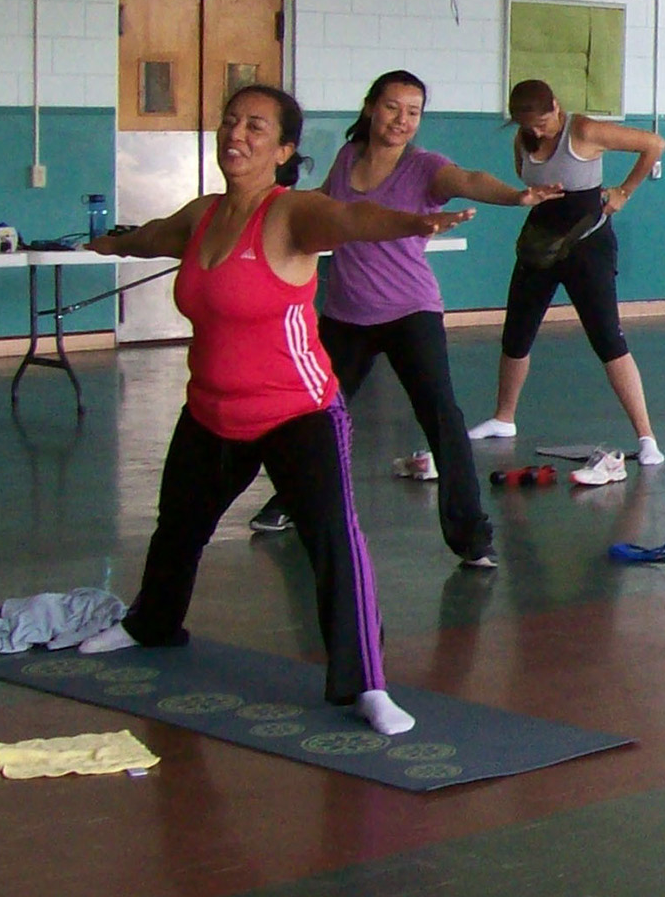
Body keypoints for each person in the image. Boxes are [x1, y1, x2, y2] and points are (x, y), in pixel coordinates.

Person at [75, 85, 473, 734]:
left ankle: (367, 684)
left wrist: (412, 222)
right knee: (177, 526)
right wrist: (111, 243)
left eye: (256, 127)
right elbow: (153, 237)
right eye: (230, 121)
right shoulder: (203, 216)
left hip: (297, 412)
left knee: (333, 544)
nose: (237, 134)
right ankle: (151, 625)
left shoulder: (291, 215)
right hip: (210, 409)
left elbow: (351, 220)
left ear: (285, 149)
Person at [245, 70, 563, 565]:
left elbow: (467, 180)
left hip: (409, 311)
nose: (402, 120)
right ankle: (288, 499)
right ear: (371, 107)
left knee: (442, 418)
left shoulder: (424, 168)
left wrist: (517, 196)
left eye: (413, 112)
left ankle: (471, 536)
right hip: (347, 314)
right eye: (393, 107)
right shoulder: (348, 158)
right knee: (311, 416)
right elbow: (327, 214)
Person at [466, 79, 665, 483]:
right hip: (542, 242)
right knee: (517, 333)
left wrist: (624, 191)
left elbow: (654, 144)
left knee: (608, 340)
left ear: (556, 106)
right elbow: (529, 182)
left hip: (588, 244)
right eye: (527, 125)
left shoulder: (583, 130)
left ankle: (647, 438)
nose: (536, 131)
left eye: (541, 122)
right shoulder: (522, 140)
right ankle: (504, 418)